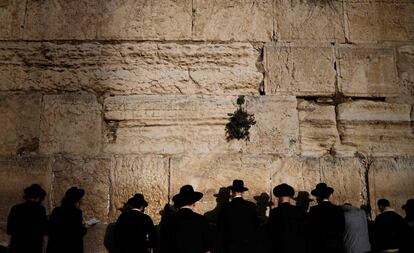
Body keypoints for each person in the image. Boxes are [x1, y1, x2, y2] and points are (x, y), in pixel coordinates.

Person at [166, 185, 213, 253]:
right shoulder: (201, 220)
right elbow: (208, 247)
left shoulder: (170, 220)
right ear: (194, 203)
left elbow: (165, 244)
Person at [217, 180, 259, 253]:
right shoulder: (251, 206)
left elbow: (220, 228)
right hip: (247, 246)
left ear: (232, 192)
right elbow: (256, 226)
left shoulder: (226, 207)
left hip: (230, 246)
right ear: (243, 192)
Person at [266, 183, 308, 253]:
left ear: (279, 197)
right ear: (290, 197)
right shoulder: (298, 210)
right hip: (296, 246)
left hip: (280, 247)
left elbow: (270, 231)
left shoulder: (275, 212)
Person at [46, 187, 90, 253]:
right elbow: (77, 233)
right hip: (70, 248)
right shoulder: (77, 213)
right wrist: (85, 227)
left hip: (55, 247)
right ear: (76, 201)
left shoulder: (56, 211)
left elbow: (49, 229)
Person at [7, 184, 48, 253]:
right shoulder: (40, 210)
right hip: (34, 246)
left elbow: (10, 229)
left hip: (17, 245)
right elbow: (44, 229)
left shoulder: (16, 208)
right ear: (38, 198)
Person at [308, 183, 345, 253]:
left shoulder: (314, 210)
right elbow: (342, 228)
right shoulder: (338, 209)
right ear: (328, 196)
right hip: (335, 246)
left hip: (319, 246)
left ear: (318, 197)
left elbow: (311, 229)